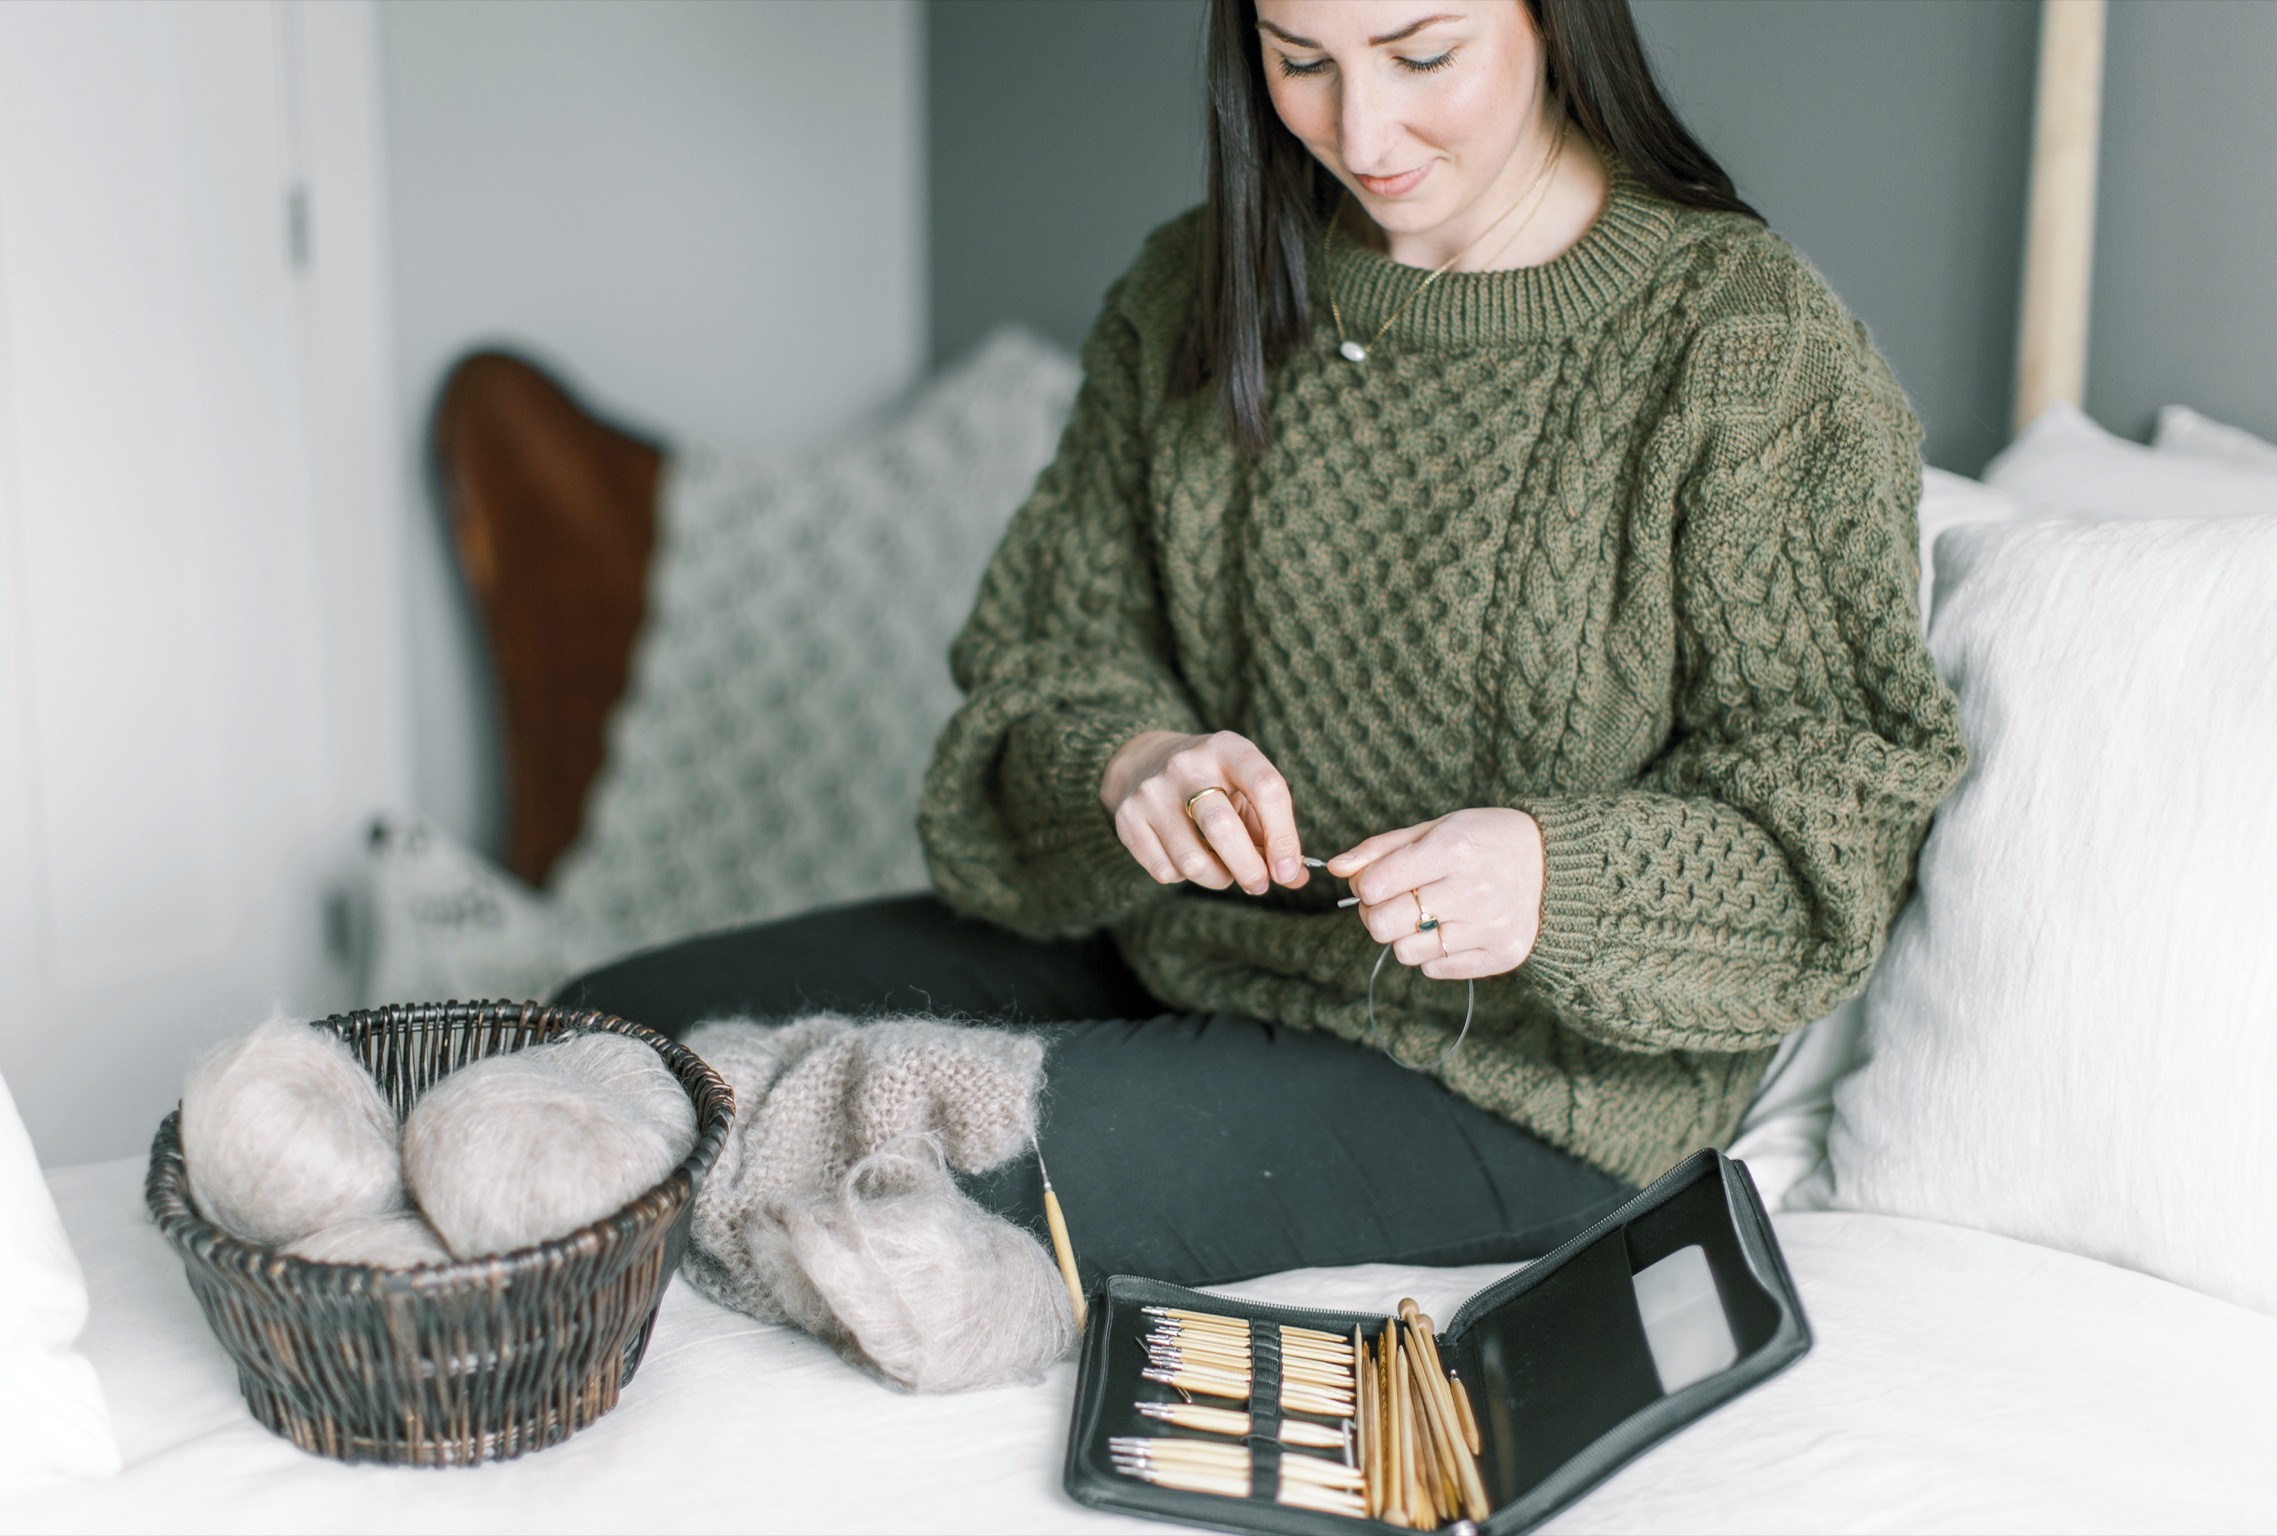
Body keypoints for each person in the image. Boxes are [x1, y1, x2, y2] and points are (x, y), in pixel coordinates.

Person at [562, 0, 1966, 1288]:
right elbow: (1045, 663)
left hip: (1518, 1080)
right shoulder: (1191, 287)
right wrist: (1135, 763)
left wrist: (1557, 878)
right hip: (1187, 956)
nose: (1358, 132)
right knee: (597, 1038)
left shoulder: (1744, 344)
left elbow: (1831, 806)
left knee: (853, 1183)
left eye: (1420, 55)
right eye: (1299, 60)